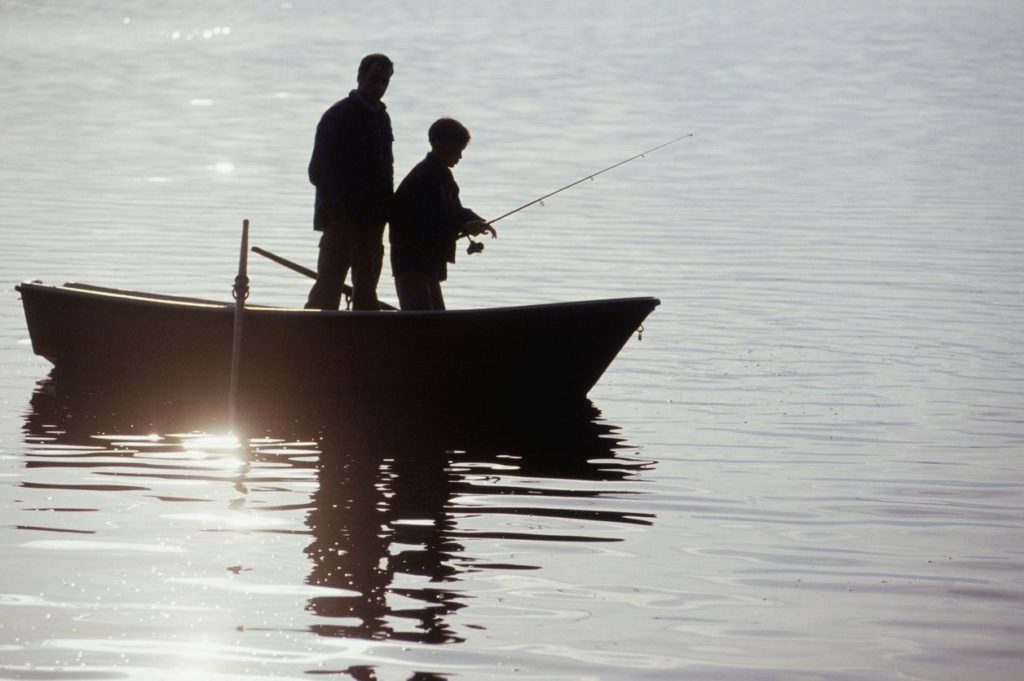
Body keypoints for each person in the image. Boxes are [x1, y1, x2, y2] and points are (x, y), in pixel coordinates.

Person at [305, 53, 394, 311]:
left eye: (385, 81)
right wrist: (347, 210)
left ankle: (361, 344)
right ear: (360, 77)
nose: (379, 85)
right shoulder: (338, 116)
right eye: (374, 78)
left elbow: (386, 168)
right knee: (327, 290)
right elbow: (317, 173)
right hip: (342, 222)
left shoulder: (382, 118)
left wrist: (383, 210)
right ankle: (307, 341)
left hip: (374, 224)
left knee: (367, 295)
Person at [389, 118, 496, 311]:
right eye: (458, 150)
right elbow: (427, 224)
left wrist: (476, 221)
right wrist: (463, 226)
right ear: (439, 144)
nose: (460, 157)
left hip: (428, 263)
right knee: (422, 324)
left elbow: (454, 211)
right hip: (411, 264)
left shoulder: (442, 175)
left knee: (435, 319)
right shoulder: (422, 178)